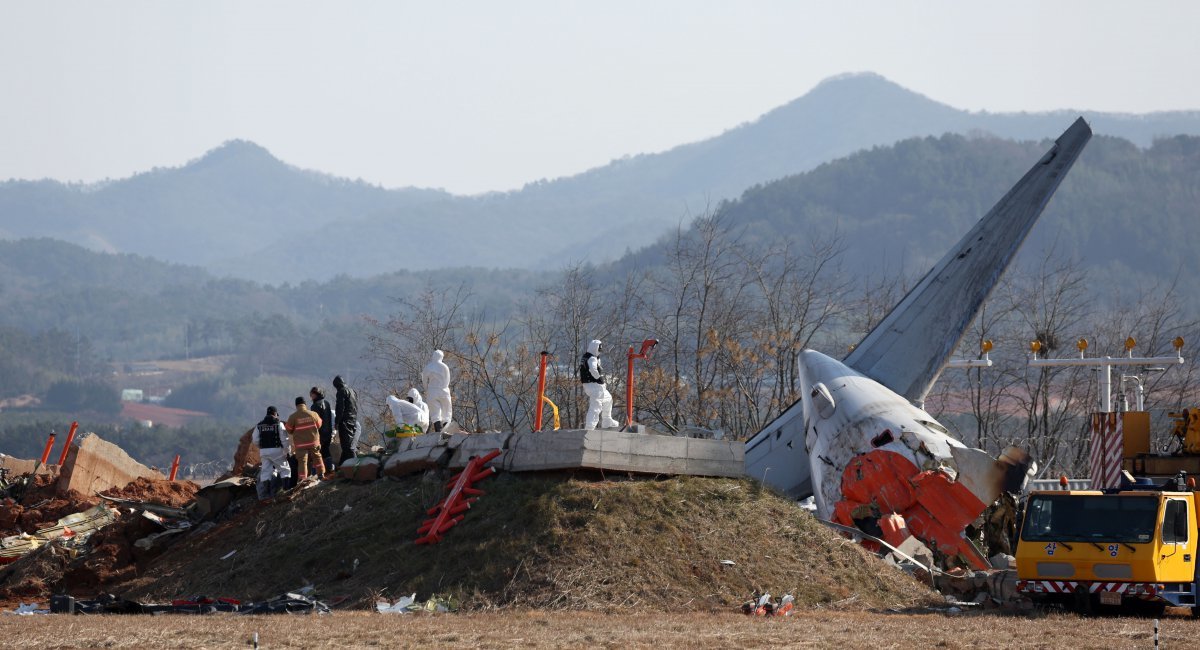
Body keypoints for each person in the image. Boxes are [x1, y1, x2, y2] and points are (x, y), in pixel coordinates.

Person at [253, 406, 291, 501]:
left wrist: (262, 447)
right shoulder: (278, 424)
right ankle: (286, 491)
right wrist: (287, 451)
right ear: (275, 414)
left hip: (264, 451)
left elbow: (255, 440)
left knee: (266, 472)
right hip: (277, 451)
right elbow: (284, 439)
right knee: (285, 469)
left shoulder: (259, 425)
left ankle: (266, 497)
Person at [580, 339, 618, 429]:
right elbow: (593, 370)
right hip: (594, 386)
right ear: (595, 348)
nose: (600, 351)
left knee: (608, 399)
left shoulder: (587, 357)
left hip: (593, 386)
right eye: (599, 349)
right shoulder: (592, 358)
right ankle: (590, 427)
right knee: (596, 405)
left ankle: (607, 420)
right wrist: (599, 378)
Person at [285, 396, 324, 482]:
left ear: (296, 405)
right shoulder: (313, 414)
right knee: (317, 457)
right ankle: (321, 474)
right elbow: (319, 424)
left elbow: (288, 429)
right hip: (314, 442)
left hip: (300, 444)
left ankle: (303, 479)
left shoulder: (293, 417)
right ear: (305, 404)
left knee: (302, 461)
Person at [421, 350, 453, 432]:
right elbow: (447, 380)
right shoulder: (444, 367)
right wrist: (443, 387)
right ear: (441, 357)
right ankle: (447, 429)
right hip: (443, 390)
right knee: (446, 410)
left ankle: (438, 430)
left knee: (435, 412)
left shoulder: (428, 367)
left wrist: (426, 389)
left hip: (432, 391)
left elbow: (424, 380)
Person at [332, 375, 358, 466]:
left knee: (347, 447)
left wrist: (336, 422)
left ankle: (355, 466)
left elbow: (340, 408)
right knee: (347, 445)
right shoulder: (352, 391)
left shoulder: (341, 392)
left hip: (345, 421)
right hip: (353, 420)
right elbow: (355, 407)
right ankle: (341, 466)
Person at [310, 386, 335, 474]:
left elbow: (315, 422)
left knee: (316, 454)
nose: (311, 396)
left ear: (316, 394)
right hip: (328, 432)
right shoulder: (327, 403)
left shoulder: (315, 406)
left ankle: (315, 473)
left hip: (320, 433)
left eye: (312, 394)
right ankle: (331, 469)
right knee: (326, 451)